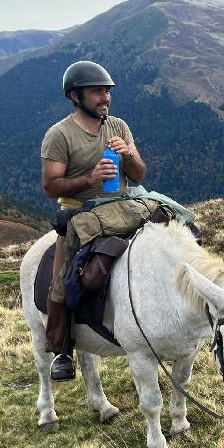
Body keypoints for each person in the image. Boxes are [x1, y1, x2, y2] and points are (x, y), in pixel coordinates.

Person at [41, 60, 146, 381]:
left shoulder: (119, 126)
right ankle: (61, 348)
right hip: (81, 212)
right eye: (97, 92)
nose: (105, 97)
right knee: (62, 277)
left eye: (107, 91)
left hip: (125, 205)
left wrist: (127, 155)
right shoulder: (59, 135)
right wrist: (90, 178)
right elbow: (51, 186)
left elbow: (139, 174)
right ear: (75, 96)